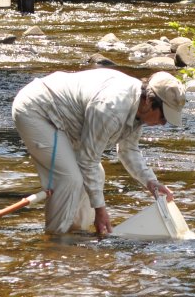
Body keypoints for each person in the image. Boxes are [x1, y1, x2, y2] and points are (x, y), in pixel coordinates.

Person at [11, 69, 186, 235]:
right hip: (38, 110)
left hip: (64, 121)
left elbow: (128, 150)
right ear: (149, 101)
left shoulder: (139, 110)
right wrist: (100, 210)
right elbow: (87, 161)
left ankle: (75, 233)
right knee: (69, 180)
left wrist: (151, 182)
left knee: (97, 175)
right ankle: (56, 242)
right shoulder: (112, 108)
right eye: (163, 116)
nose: (164, 123)